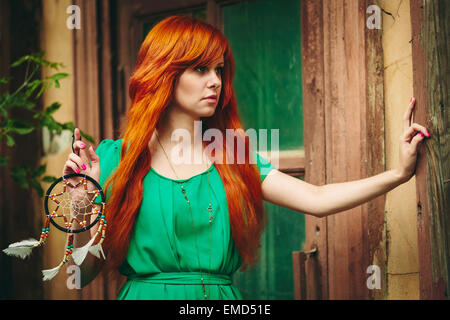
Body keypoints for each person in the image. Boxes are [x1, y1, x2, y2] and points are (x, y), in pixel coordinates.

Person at [62, 16, 429, 300]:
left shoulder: (232, 154)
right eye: (201, 69)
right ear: (164, 73)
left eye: (219, 70)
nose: (216, 81)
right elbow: (82, 276)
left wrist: (398, 173)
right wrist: (83, 205)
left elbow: (317, 199)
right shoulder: (113, 159)